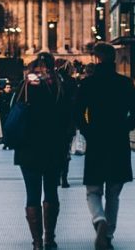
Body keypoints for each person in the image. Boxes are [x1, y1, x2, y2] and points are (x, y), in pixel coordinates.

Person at [75, 42, 135, 249]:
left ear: (96, 59)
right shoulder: (125, 83)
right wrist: (124, 128)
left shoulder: (87, 84)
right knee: (114, 192)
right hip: (118, 142)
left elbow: (78, 114)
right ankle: (109, 235)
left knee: (93, 190)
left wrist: (88, 131)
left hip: (96, 141)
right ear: (113, 59)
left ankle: (99, 220)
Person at [13, 53, 73, 249]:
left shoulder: (25, 87)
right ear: (52, 67)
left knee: (32, 194)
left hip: (28, 148)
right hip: (53, 148)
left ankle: (37, 243)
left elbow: (13, 111)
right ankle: (50, 239)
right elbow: (67, 118)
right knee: (51, 192)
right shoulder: (59, 87)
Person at [55, 56, 79, 188]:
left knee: (54, 150)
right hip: (68, 121)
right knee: (65, 150)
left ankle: (56, 176)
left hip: (53, 123)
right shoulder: (72, 81)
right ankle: (64, 178)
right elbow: (76, 102)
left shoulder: (51, 81)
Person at [0, 80, 15, 150]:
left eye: (9, 87)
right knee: (4, 128)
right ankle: (6, 143)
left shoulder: (13, 96)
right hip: (3, 114)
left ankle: (8, 143)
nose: (9, 89)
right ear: (4, 88)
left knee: (10, 129)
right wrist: (0, 110)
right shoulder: (0, 96)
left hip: (11, 114)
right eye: (7, 87)